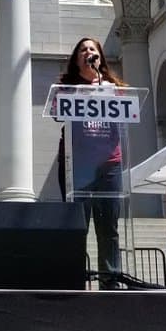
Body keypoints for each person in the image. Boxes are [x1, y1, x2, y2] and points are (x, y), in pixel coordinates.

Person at [56, 36, 125, 290]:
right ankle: (75, 281)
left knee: (109, 228)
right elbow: (56, 113)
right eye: (83, 50)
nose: (88, 52)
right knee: (77, 226)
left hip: (109, 165)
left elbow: (130, 111)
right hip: (77, 164)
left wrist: (106, 88)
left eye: (92, 49)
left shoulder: (113, 87)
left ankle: (110, 282)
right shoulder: (66, 88)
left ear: (100, 57)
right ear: (77, 59)